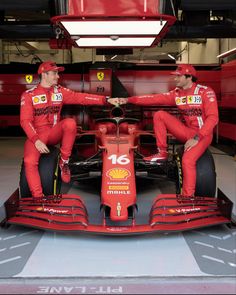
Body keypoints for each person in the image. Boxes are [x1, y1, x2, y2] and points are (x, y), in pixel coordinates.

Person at [110, 64, 219, 197]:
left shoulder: (205, 91)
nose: (175, 79)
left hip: (202, 135)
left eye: (178, 76)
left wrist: (197, 138)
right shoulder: (177, 94)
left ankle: (187, 198)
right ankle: (162, 152)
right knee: (159, 115)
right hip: (186, 131)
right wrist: (128, 100)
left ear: (189, 77)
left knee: (187, 161)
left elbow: (213, 118)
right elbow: (153, 99)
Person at [20, 60, 112, 199]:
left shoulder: (60, 91)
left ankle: (64, 162)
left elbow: (81, 98)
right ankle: (38, 198)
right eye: (55, 73)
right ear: (44, 74)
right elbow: (25, 121)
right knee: (29, 161)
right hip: (37, 135)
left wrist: (105, 100)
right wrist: (36, 140)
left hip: (54, 132)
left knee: (70, 123)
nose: (58, 76)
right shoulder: (28, 95)